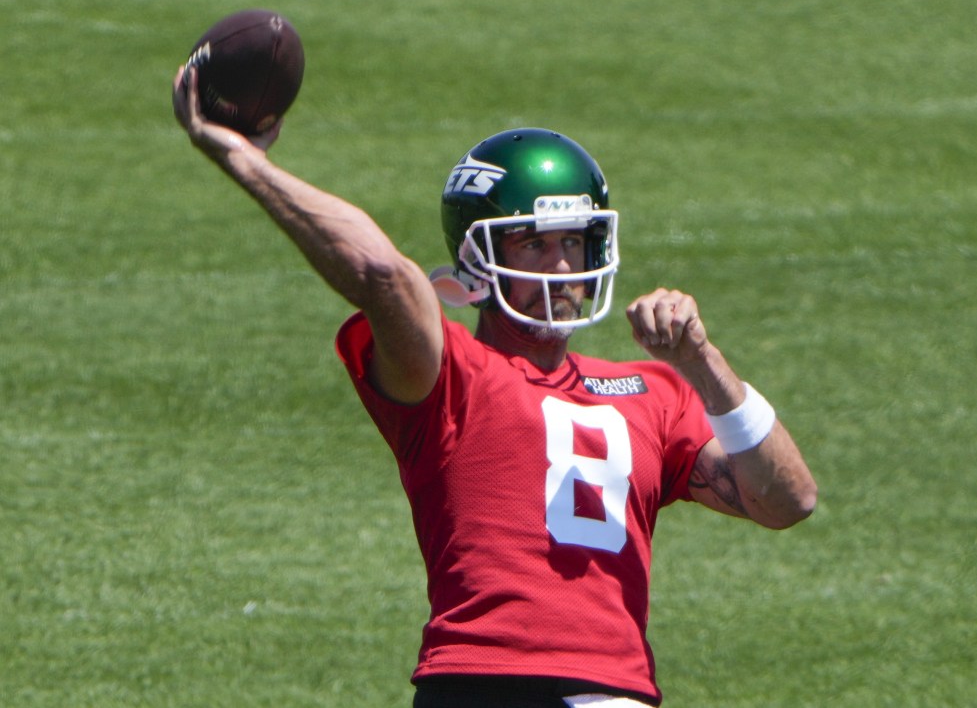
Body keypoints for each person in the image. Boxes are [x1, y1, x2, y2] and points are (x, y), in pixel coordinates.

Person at [172, 64, 817, 707]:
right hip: (483, 678)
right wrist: (243, 160)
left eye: (574, 242)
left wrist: (704, 364)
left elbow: (788, 500)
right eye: (533, 245)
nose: (561, 266)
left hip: (608, 689)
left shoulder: (656, 391)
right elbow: (381, 274)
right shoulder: (451, 371)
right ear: (481, 257)